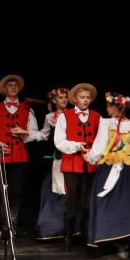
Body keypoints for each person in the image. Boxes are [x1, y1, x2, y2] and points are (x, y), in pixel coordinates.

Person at [0, 75, 45, 235]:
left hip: (20, 155)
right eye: (9, 85)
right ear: (4, 89)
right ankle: (4, 225)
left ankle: (13, 223)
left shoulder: (27, 109)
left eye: (15, 85)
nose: (12, 87)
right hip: (2, 155)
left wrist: (24, 133)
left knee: (17, 191)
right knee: (2, 190)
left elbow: (35, 133)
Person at [86, 93, 130, 258]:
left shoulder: (106, 125)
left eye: (107, 106)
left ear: (113, 108)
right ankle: (125, 241)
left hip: (109, 168)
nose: (106, 109)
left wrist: (88, 157)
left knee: (105, 203)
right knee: (127, 204)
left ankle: (109, 239)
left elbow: (98, 150)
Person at [53, 83, 101, 250]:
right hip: (72, 164)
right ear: (74, 99)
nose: (85, 100)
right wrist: (76, 146)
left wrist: (95, 153)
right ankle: (68, 237)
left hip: (91, 164)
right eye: (82, 97)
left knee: (88, 201)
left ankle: (87, 236)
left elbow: (102, 140)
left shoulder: (97, 116)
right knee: (73, 200)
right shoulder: (64, 116)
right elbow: (59, 141)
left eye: (88, 97)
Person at [34, 88, 72, 241]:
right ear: (54, 101)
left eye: (65, 97)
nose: (63, 100)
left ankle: (74, 227)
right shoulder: (50, 118)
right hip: (58, 159)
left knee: (72, 190)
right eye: (60, 97)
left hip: (73, 157)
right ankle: (53, 228)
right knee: (55, 190)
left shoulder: (74, 115)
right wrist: (25, 132)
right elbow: (43, 135)